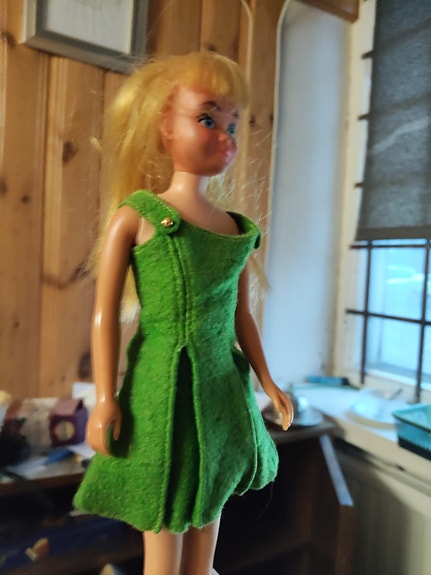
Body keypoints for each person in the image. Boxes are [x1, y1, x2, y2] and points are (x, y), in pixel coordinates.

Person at [73, 51, 294, 575]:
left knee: (210, 496)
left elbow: (241, 316)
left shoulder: (235, 230)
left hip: (221, 387)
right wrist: (104, 398)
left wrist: (267, 380)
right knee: (164, 501)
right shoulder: (138, 217)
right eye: (208, 119)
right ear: (165, 126)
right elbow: (104, 315)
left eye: (232, 125)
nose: (226, 137)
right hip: (160, 387)